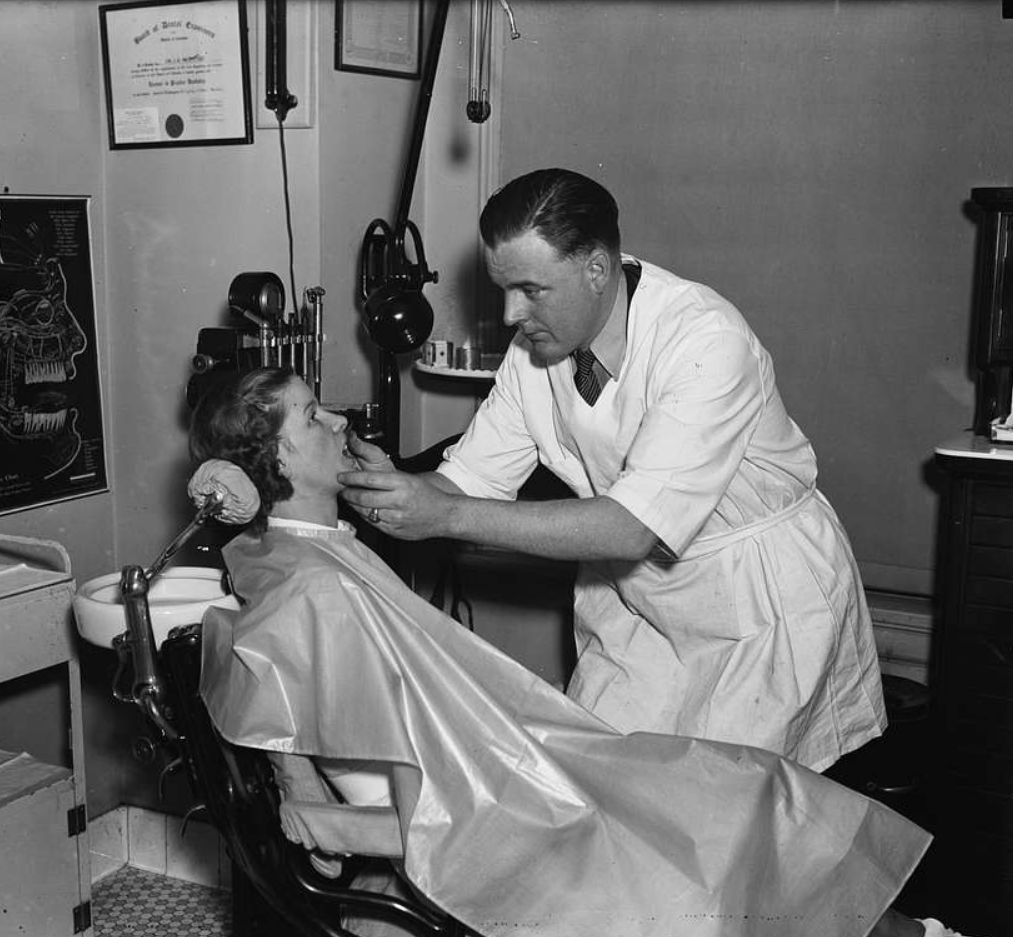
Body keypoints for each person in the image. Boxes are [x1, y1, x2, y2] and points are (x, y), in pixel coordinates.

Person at [187, 365, 963, 937]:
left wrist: (304, 785)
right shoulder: (317, 588)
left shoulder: (286, 556)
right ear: (276, 463)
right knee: (729, 824)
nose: (335, 420)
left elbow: (287, 689)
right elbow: (315, 708)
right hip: (488, 811)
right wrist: (329, 809)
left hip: (502, 771)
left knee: (738, 790)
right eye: (310, 416)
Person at [327, 166, 885, 774]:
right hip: (636, 608)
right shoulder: (535, 352)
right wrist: (394, 489)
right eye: (502, 289)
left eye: (531, 290)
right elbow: (467, 483)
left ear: (596, 269)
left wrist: (445, 514)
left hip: (756, 606)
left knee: (724, 827)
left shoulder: (703, 338)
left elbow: (630, 528)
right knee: (597, 795)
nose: (511, 313)